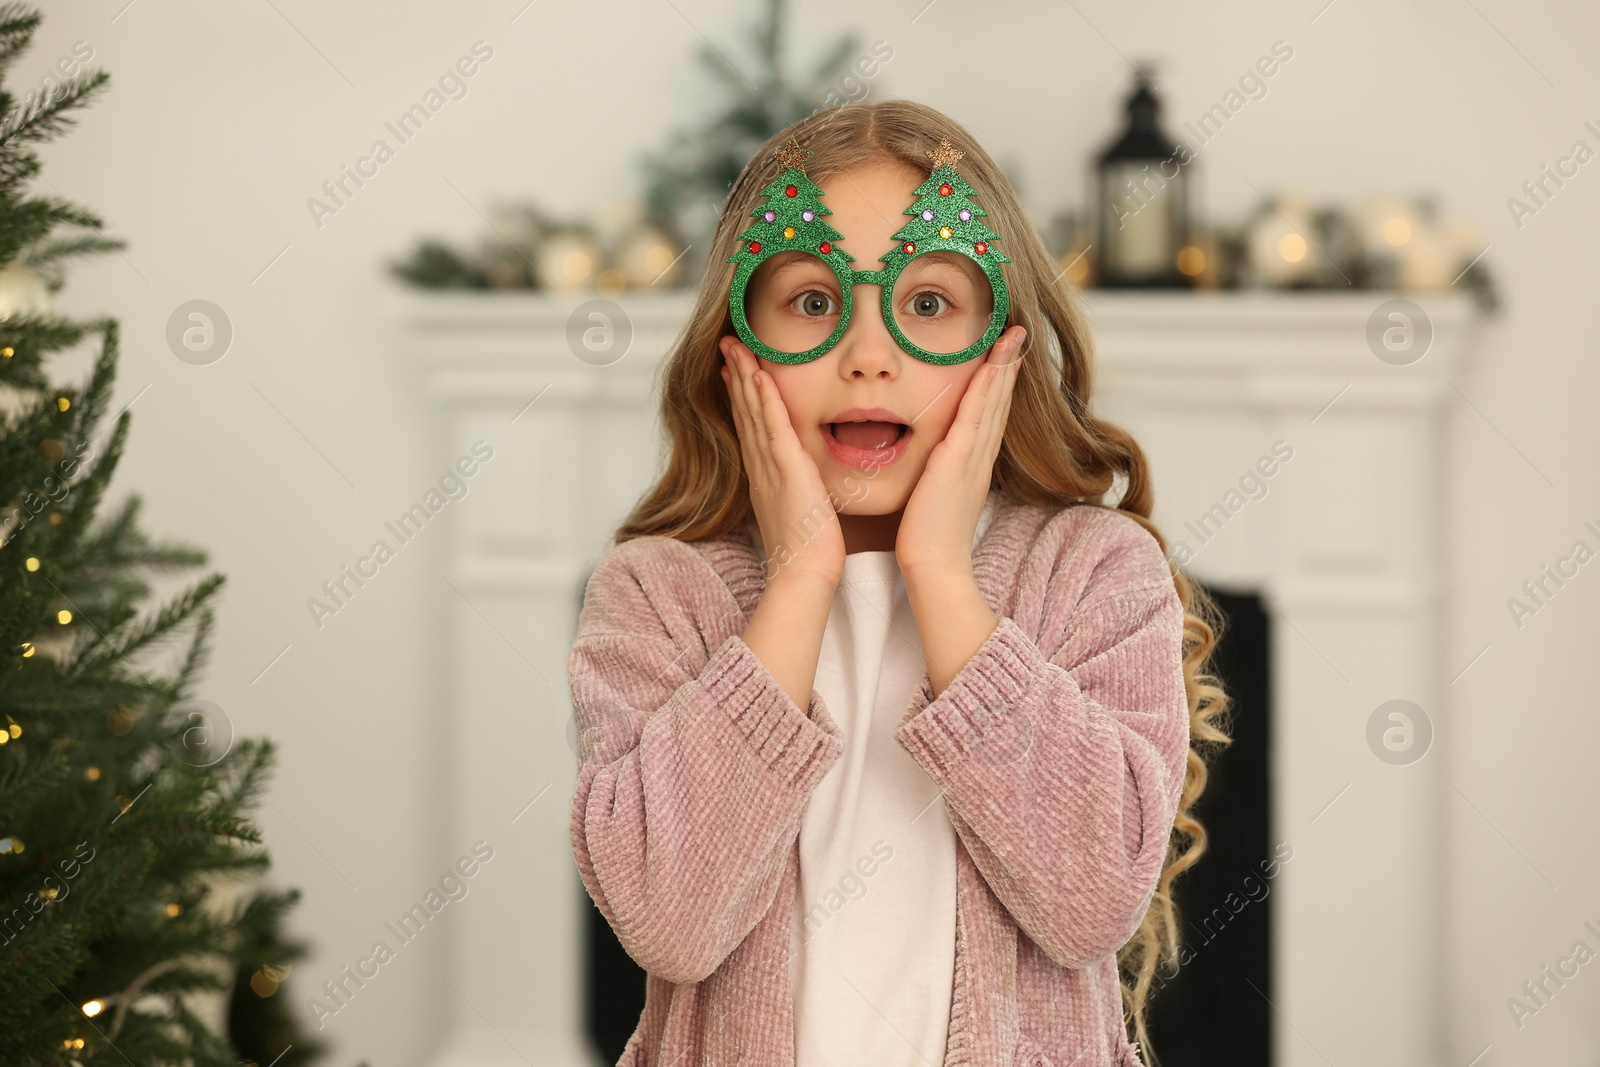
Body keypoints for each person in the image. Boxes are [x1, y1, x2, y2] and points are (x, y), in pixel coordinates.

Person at [567, 99, 1231, 1067]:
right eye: (810, 301)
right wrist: (798, 576)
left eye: (926, 303)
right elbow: (670, 920)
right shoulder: (657, 593)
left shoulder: (1092, 572)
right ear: (737, 342)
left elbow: (1089, 901)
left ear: (1000, 342)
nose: (868, 356)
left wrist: (940, 575)